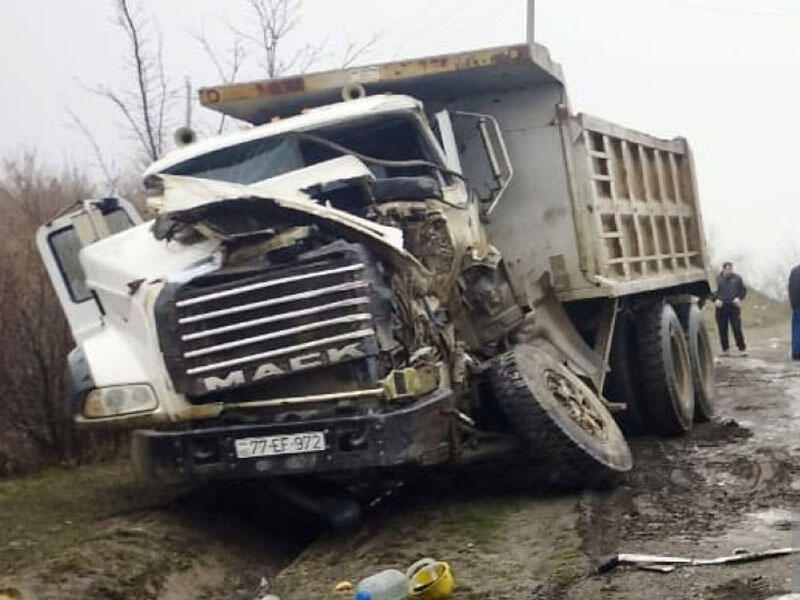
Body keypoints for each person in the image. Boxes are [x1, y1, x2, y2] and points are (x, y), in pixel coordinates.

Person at [714, 262, 747, 356]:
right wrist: (715, 299)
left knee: (737, 328)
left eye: (731, 269)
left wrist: (739, 298)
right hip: (721, 307)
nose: (730, 271)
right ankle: (725, 350)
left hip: (733, 307)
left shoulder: (737, 278)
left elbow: (743, 290)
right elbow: (712, 291)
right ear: (723, 269)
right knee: (722, 329)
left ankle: (742, 349)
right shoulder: (717, 279)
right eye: (728, 269)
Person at [788, 264, 800, 360]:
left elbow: (791, 288)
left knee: (796, 328)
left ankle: (795, 352)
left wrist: (793, 303)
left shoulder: (794, 271)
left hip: (795, 305)